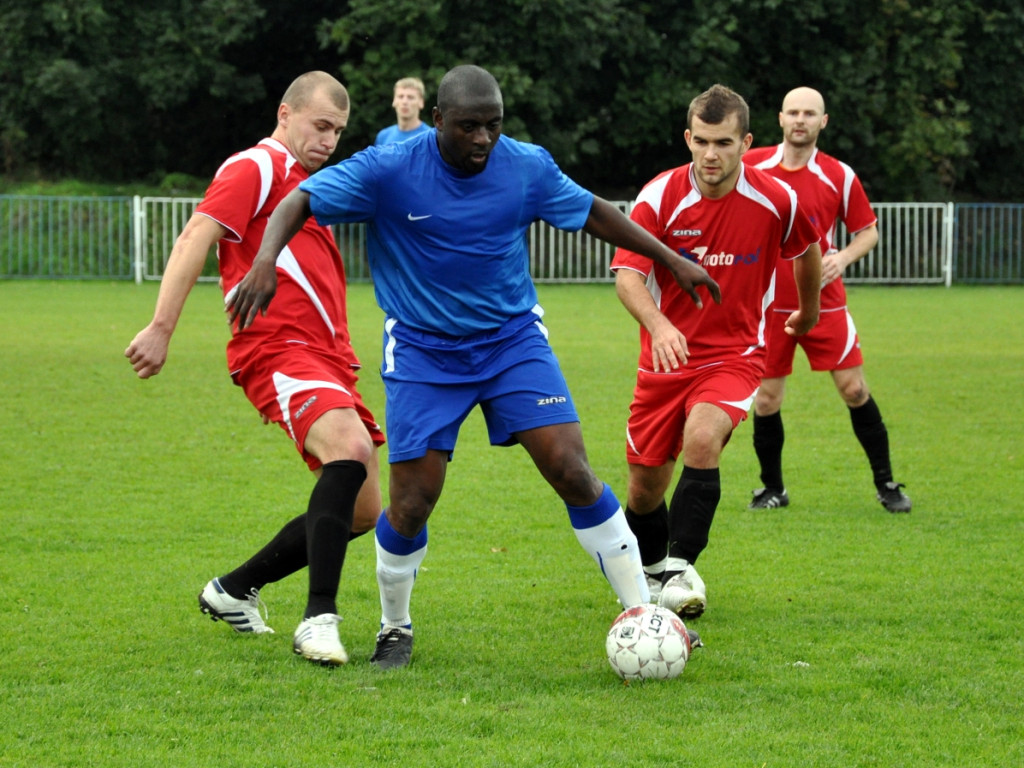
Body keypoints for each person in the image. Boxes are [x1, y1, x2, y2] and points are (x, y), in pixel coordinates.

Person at [226, 64, 721, 670]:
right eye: (468, 127)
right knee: (411, 503)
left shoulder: (525, 165)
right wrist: (265, 260)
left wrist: (671, 259)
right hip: (422, 352)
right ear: (438, 122)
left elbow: (593, 211)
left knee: (571, 468)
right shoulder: (390, 168)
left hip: (512, 343)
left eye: (493, 125)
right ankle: (395, 626)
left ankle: (644, 610)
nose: (483, 139)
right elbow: (301, 197)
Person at [124, 71, 385, 666]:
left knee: (365, 508)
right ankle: (319, 618)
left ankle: (232, 590)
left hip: (327, 359)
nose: (329, 140)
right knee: (348, 449)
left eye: (338, 131)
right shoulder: (256, 166)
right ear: (285, 114)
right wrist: (162, 327)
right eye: (320, 125)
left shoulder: (308, 184)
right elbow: (197, 233)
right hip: (275, 348)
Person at [611, 84, 822, 619]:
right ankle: (657, 574)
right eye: (701, 141)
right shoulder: (658, 197)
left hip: (735, 354)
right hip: (663, 362)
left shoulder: (777, 198)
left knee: (703, 438)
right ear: (687, 138)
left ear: (746, 141)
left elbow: (807, 249)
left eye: (724, 143)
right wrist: (659, 326)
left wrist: (811, 311)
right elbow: (628, 276)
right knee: (643, 490)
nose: (711, 154)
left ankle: (680, 568)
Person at [743, 87, 911, 513]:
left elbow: (867, 230)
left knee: (854, 389)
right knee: (766, 400)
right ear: (780, 118)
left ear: (824, 121)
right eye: (793, 112)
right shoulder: (749, 166)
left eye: (810, 114)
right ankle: (772, 490)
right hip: (767, 306)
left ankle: (887, 485)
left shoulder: (839, 174)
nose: (801, 120)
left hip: (825, 304)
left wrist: (844, 257)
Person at [374, 76, 432, 146]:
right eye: (400, 96)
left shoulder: (430, 138)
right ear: (394, 101)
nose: (404, 102)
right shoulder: (383, 137)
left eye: (410, 97)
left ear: (421, 102)